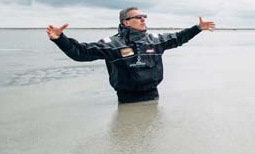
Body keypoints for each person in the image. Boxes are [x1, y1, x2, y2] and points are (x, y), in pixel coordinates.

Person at [47, 7, 217, 103]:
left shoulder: (155, 41)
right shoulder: (112, 44)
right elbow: (81, 53)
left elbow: (178, 38)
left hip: (153, 96)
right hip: (127, 99)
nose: (143, 19)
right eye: (138, 17)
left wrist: (197, 28)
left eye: (144, 16)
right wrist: (60, 39)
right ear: (126, 22)